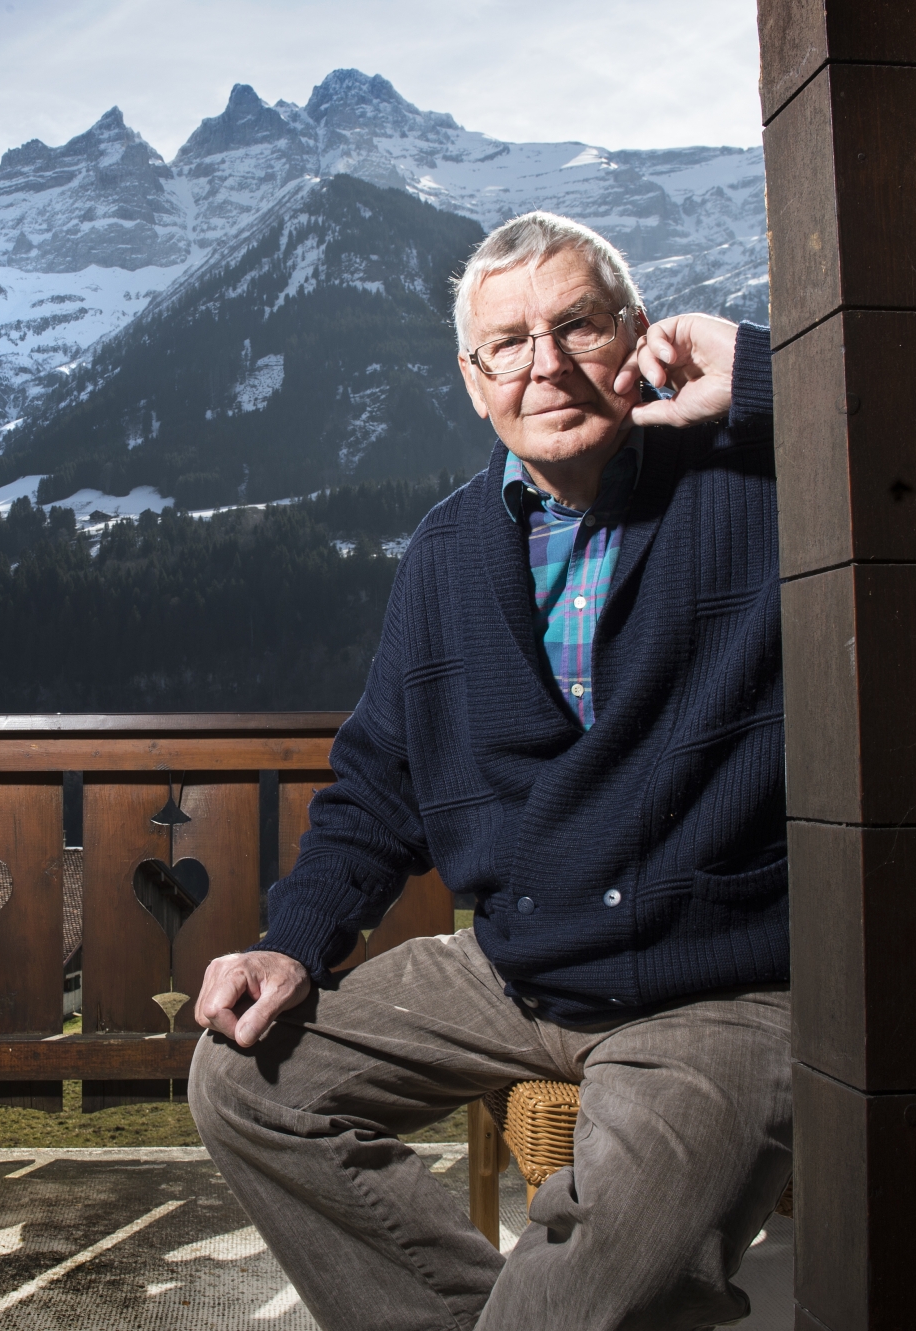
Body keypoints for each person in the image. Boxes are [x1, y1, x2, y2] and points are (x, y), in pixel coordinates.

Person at [187, 211, 789, 1331]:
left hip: (719, 985)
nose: (543, 365)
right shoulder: (447, 549)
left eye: (576, 326)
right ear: (473, 382)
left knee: (582, 1295)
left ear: (638, 336)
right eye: (505, 343)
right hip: (518, 963)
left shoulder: (753, 485)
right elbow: (377, 781)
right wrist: (289, 942)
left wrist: (757, 370)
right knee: (242, 1078)